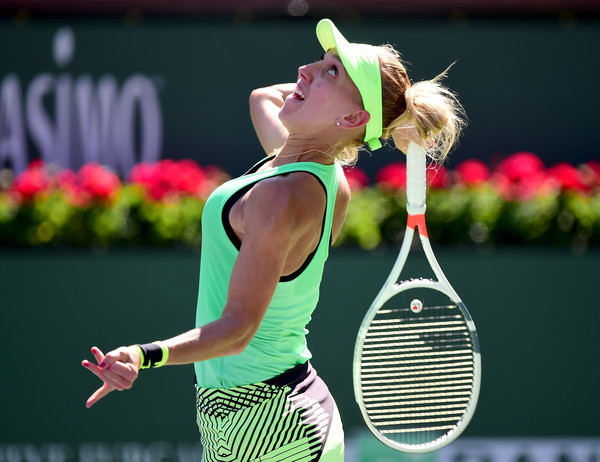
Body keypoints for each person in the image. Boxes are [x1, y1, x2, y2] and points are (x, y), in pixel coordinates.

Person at [82, 18, 465, 462]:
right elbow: (263, 97)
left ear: (351, 117)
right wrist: (354, 110)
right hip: (258, 417)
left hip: (272, 427)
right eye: (320, 62)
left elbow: (238, 329)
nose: (304, 70)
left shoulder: (281, 196)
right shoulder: (309, 170)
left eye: (330, 72)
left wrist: (143, 355)